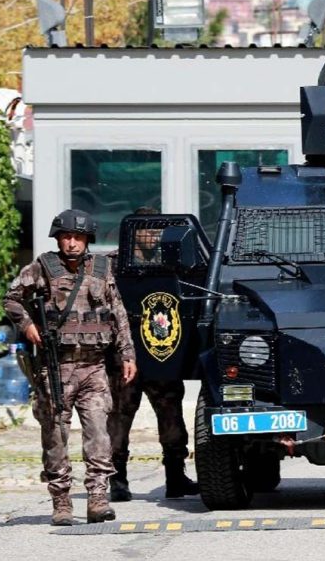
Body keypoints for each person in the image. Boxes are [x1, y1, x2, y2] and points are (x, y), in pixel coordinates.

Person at [3, 209, 137, 526]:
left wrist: (128, 353)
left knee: (99, 436)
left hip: (94, 368)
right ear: (58, 239)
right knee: (55, 436)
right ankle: (62, 502)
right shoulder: (41, 268)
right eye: (66, 237)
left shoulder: (102, 269)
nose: (72, 243)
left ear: (87, 240)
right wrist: (27, 326)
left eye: (78, 237)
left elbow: (118, 312)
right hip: (57, 367)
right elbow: (11, 298)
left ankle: (97, 499)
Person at [107, 207, 199, 502]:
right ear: (133, 232)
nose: (153, 237)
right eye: (147, 230)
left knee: (171, 415)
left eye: (157, 232)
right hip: (124, 354)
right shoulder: (113, 263)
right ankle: (117, 480)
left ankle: (175, 476)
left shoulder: (171, 263)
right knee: (120, 417)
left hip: (161, 350)